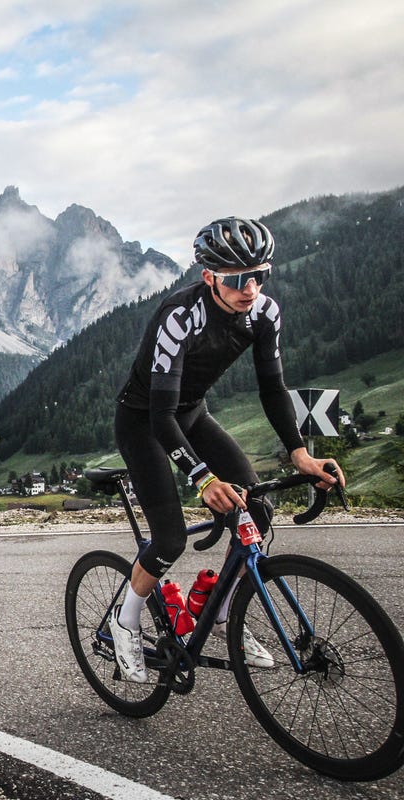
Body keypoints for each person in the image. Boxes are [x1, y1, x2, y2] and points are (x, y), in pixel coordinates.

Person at [110, 216, 344, 682]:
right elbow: (161, 416)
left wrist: (300, 454)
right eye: (239, 279)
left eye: (261, 275)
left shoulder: (264, 313)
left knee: (255, 513)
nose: (251, 287)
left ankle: (218, 613)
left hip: (194, 413)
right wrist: (203, 478)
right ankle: (126, 620)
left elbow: (273, 390)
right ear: (210, 277)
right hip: (144, 421)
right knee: (171, 539)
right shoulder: (180, 316)